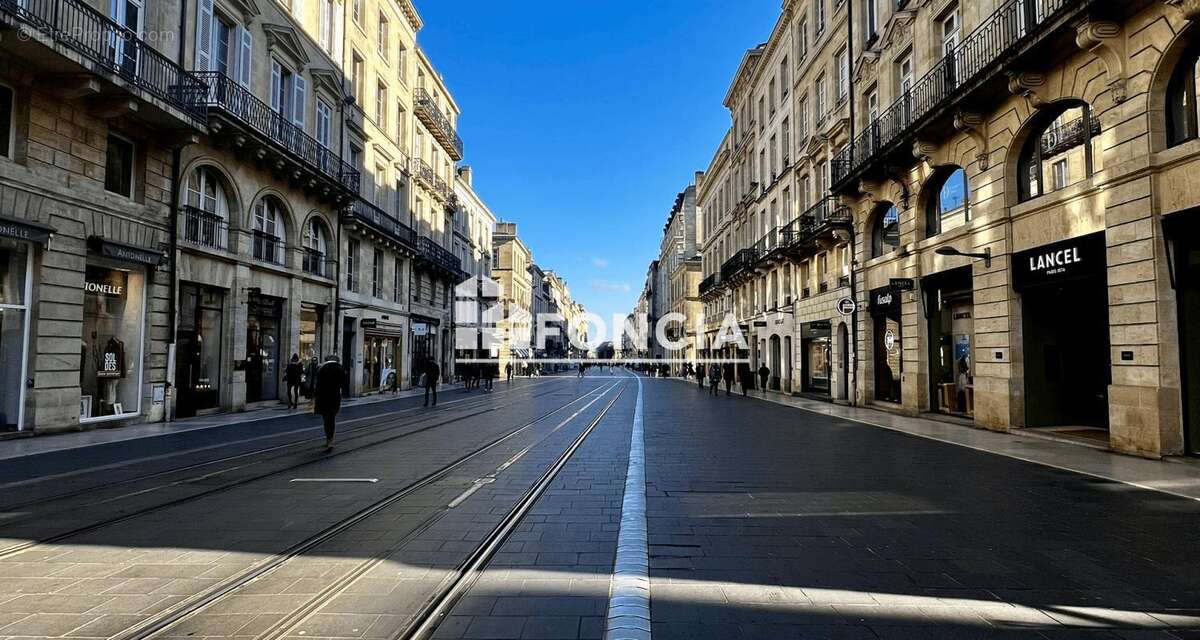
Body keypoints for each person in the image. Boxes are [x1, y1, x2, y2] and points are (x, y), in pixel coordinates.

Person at [313, 355, 345, 450]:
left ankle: (328, 439)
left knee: (326, 420)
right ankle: (330, 440)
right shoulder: (340, 369)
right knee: (332, 419)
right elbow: (342, 383)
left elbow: (317, 384)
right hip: (334, 398)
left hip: (323, 398)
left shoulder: (321, 369)